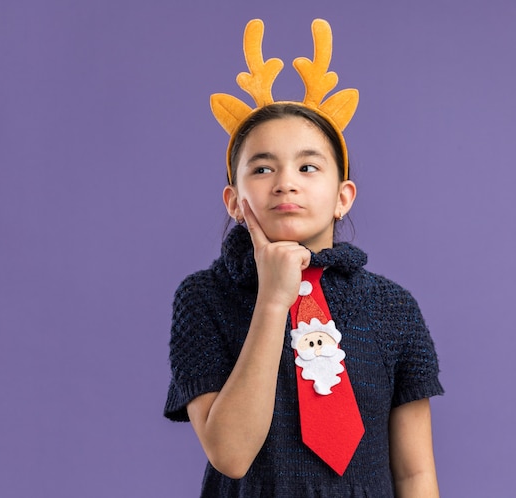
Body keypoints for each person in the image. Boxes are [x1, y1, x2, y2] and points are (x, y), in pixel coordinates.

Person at [164, 19, 444, 497]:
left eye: (308, 166)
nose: (285, 182)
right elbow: (229, 454)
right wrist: (274, 300)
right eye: (263, 167)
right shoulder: (203, 297)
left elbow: (415, 473)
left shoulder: (394, 308)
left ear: (343, 196)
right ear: (234, 200)